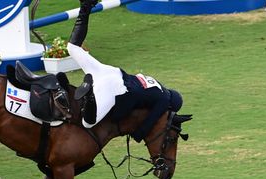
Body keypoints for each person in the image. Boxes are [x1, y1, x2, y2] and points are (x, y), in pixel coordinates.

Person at [69, 0, 183, 143]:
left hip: (111, 71)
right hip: (114, 87)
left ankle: (85, 8)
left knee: (72, 48)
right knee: (88, 123)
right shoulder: (164, 100)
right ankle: (90, 94)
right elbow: (151, 119)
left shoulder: (156, 84)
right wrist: (138, 136)